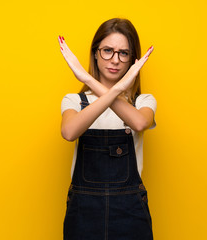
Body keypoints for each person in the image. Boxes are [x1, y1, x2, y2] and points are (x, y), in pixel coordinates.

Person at [58, 18, 157, 240]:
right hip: (83, 213)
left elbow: (140, 123)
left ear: (133, 59)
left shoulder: (143, 101)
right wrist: (114, 90)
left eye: (123, 53)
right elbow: (69, 132)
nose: (115, 60)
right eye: (107, 51)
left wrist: (87, 78)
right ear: (95, 53)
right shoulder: (74, 100)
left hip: (130, 213)